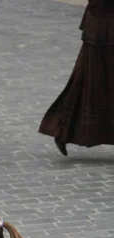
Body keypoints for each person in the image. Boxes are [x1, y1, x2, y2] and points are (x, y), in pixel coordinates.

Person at [39, 0, 114, 156]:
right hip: (102, 26)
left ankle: (62, 129)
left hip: (102, 23)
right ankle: (62, 129)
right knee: (88, 81)